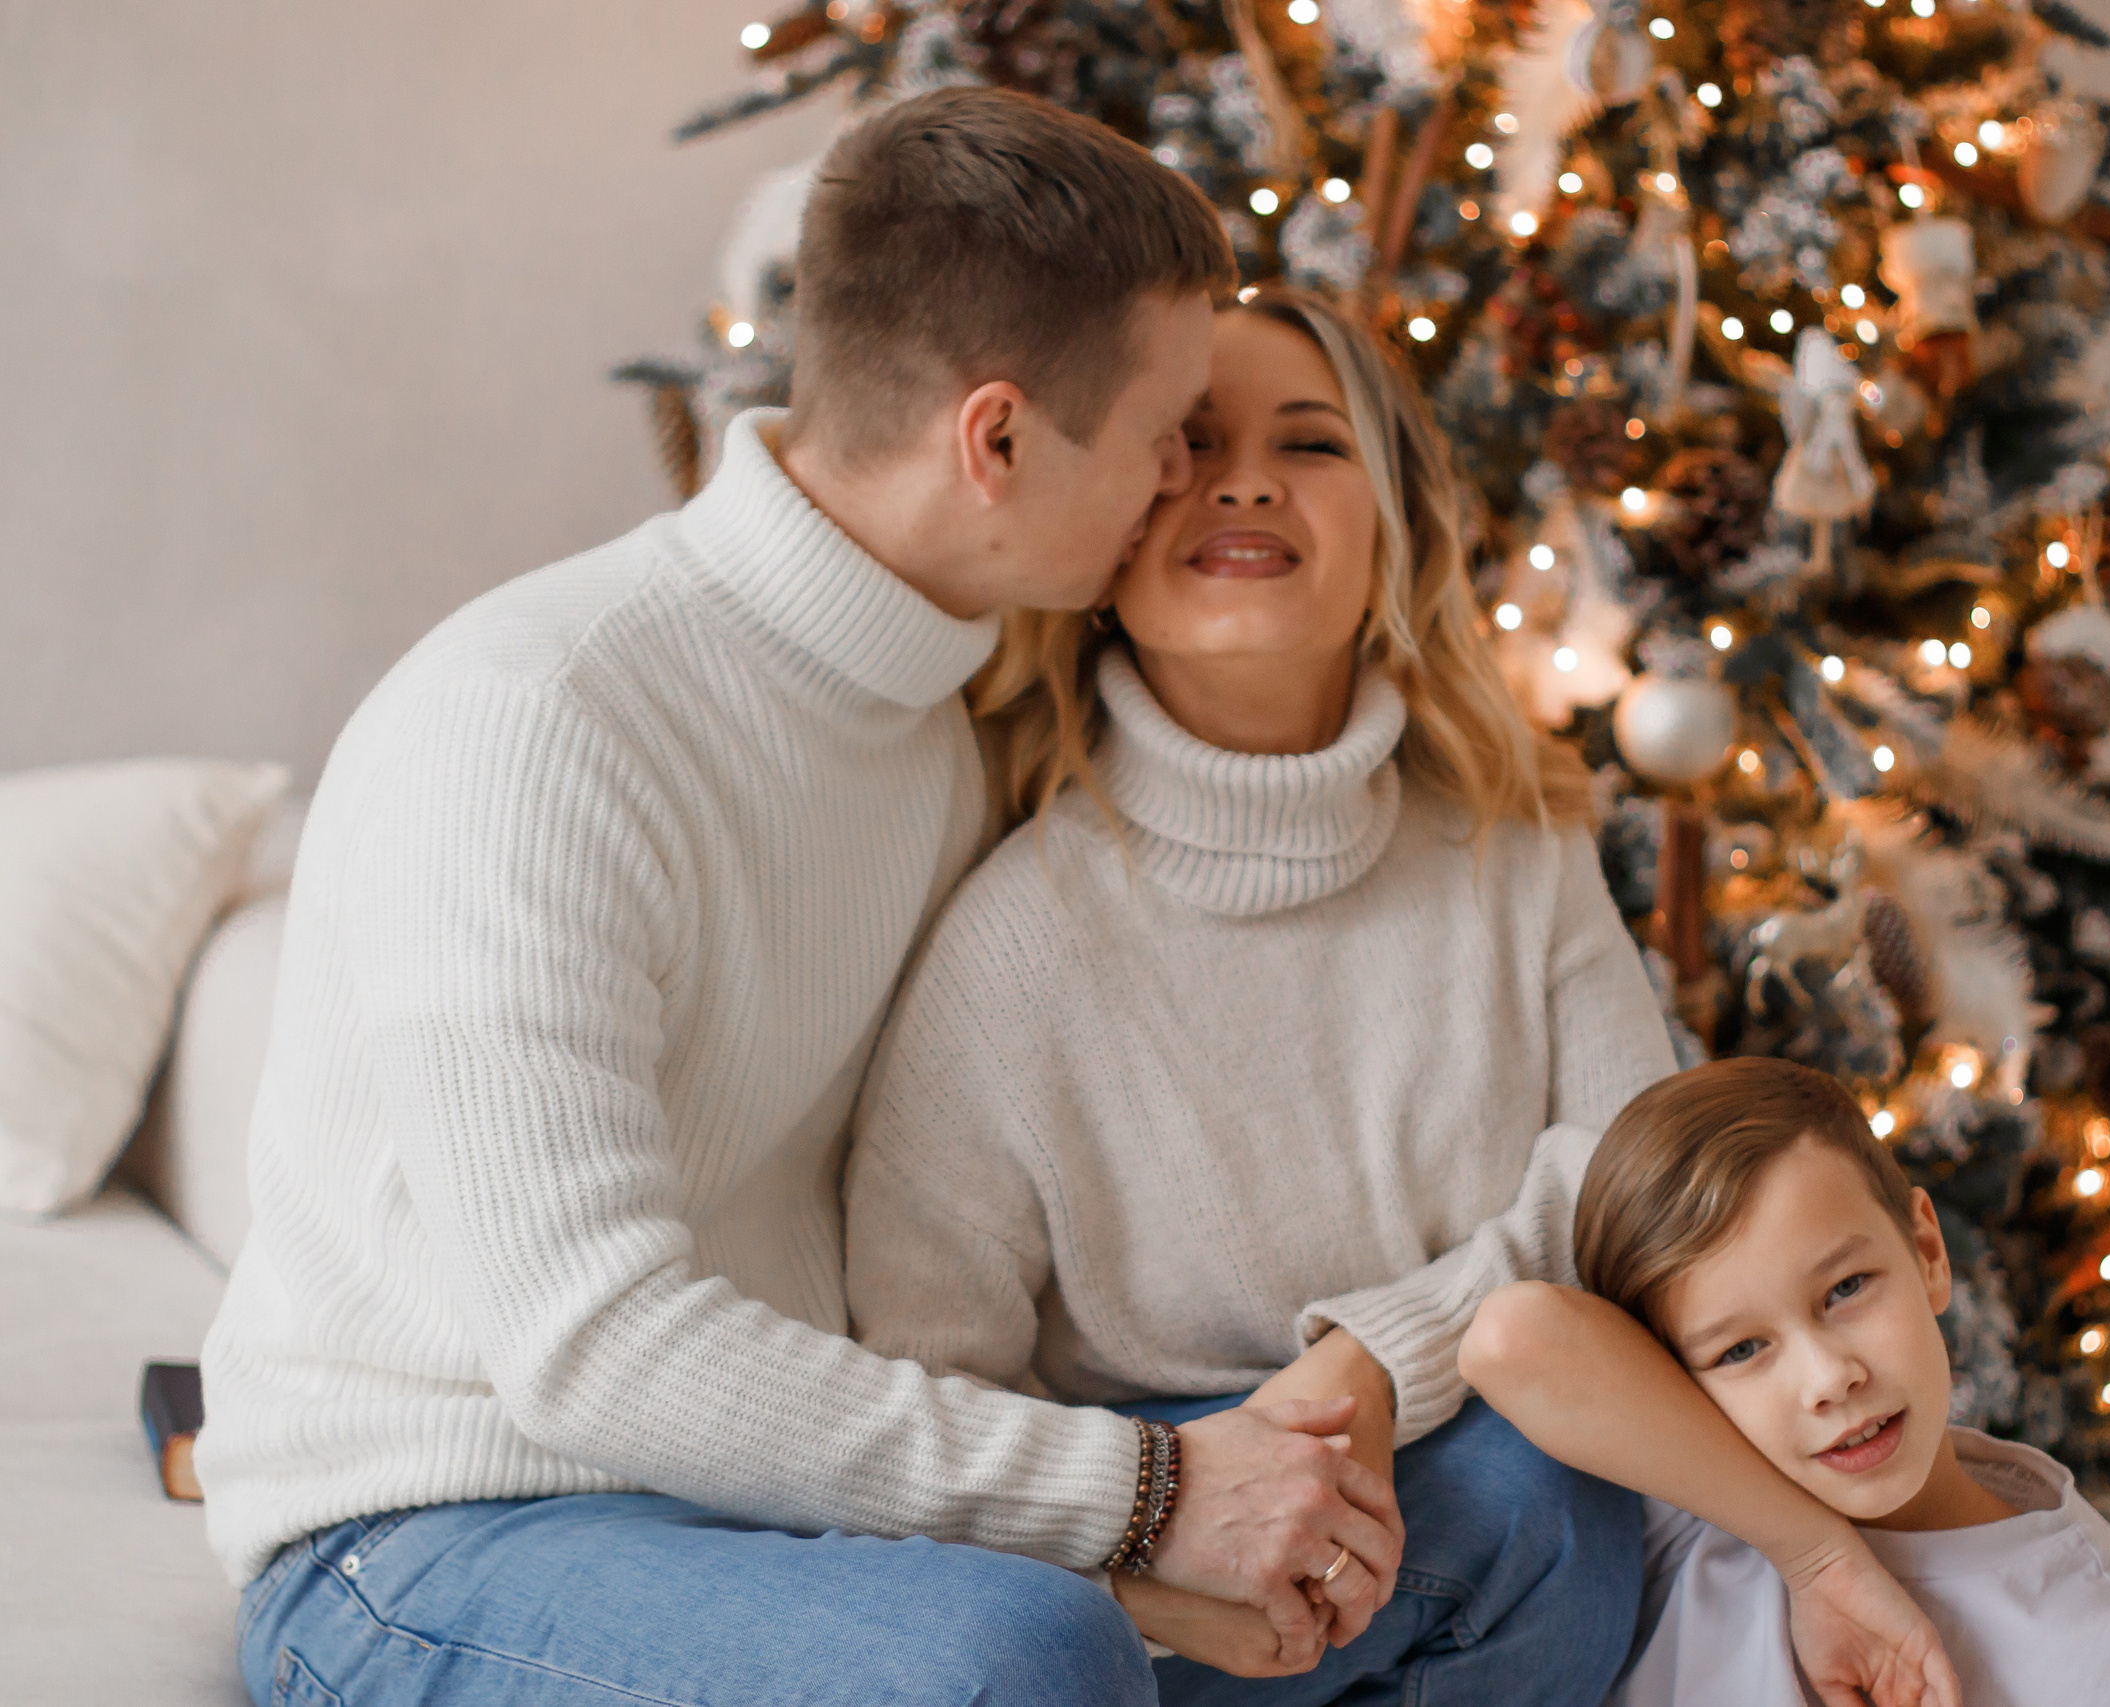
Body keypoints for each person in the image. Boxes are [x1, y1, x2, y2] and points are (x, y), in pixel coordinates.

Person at [196, 90, 1400, 1707]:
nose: (1191, 474)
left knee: (1521, 1522)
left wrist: (1285, 1435)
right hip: (438, 1533)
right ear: (998, 439)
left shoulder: (944, 732)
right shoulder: (538, 719)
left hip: (785, 1510)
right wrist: (1147, 1499)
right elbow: (592, 1345)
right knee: (1014, 1657)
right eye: (1168, 425)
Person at [843, 288, 1961, 1706]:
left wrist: (1383, 1355)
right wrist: (1148, 1554)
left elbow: (1639, 1182)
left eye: (1310, 443)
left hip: (1471, 1485)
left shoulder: (1515, 848)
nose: (1245, 477)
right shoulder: (1011, 944)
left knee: (1548, 1478)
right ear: (1104, 533)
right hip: (1156, 1529)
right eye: (1189, 444)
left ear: (1394, 536)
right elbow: (924, 1380)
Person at [1462, 1058, 2110, 1707]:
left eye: (1846, 1289)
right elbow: (1511, 1337)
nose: (1830, 1377)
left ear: (1928, 1254)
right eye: (1742, 1349)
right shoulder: (1697, 1512)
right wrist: (1819, 1560)